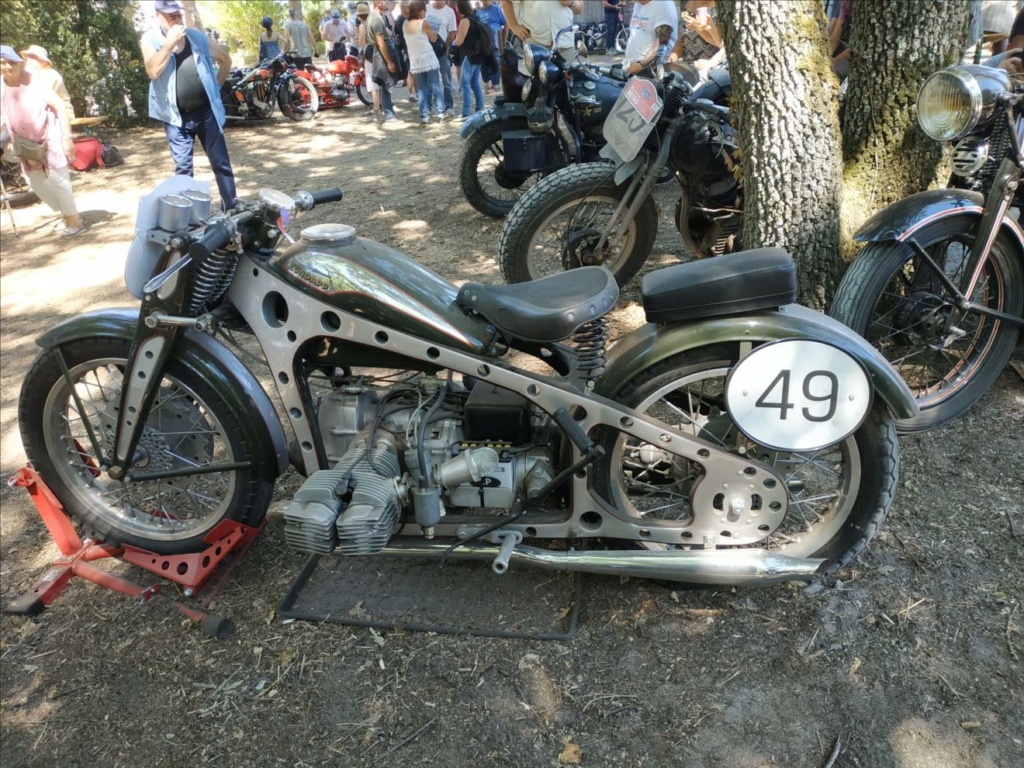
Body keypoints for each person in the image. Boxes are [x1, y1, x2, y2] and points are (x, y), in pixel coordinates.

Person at [140, 0, 236, 210]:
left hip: (206, 113)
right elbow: (152, 71)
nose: (175, 19)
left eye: (178, 15)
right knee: (183, 171)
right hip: (176, 117)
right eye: (170, 16)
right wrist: (168, 45)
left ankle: (231, 209)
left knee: (221, 164)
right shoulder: (150, 40)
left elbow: (225, 59)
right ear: (158, 16)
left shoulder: (196, 37)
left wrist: (216, 89)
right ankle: (189, 221)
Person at [0, 45, 85, 236]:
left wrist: (67, 138)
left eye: (11, 62)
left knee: (59, 181)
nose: (7, 66)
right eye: (2, 63)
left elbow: (60, 106)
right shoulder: (1, 84)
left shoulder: (34, 81)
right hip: (24, 143)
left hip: (50, 137)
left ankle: (75, 222)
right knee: (35, 182)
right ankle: (65, 214)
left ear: (20, 64)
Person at [500, 0, 582, 72]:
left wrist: (571, 3)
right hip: (536, 47)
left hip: (565, 45)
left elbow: (580, 8)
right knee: (537, 86)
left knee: (566, 85)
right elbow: (506, 1)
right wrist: (514, 26)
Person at [405, 0, 446, 124]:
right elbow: (433, 38)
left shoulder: (405, 24)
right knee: (435, 86)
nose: (425, 12)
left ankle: (424, 115)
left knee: (422, 89)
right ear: (420, 10)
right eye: (424, 10)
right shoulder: (424, 23)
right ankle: (440, 112)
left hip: (415, 60)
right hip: (428, 57)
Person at [668, 0, 723, 80]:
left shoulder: (720, 7)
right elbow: (681, 40)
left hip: (709, 69)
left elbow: (721, 44)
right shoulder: (685, 3)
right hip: (688, 67)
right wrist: (671, 61)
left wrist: (697, 28)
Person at [622, 0, 677, 75]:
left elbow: (662, 42)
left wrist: (641, 65)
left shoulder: (663, 4)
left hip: (650, 70)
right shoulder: (638, 4)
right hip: (632, 66)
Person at [365, 0, 399, 122]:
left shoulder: (376, 17)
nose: (387, 3)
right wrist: (389, 62)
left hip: (380, 53)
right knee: (386, 84)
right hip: (381, 54)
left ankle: (390, 112)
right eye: (385, 1)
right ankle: (389, 114)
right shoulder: (376, 19)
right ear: (378, 2)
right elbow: (380, 43)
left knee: (386, 84)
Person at [19, 45, 74, 119]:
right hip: (28, 117)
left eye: (33, 56)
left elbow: (61, 99)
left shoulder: (51, 75)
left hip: (53, 117)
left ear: (43, 61)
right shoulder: (22, 76)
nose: (29, 59)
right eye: (28, 56)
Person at [453, 0, 486, 122]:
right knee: (475, 84)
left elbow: (460, 41)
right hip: (478, 55)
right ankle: (480, 108)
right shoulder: (475, 18)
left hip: (469, 55)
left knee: (465, 84)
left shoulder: (465, 20)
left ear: (459, 7)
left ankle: (466, 111)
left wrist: (453, 43)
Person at [424, 0, 458, 118]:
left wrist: (445, 47)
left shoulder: (449, 12)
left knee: (447, 81)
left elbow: (452, 32)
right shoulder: (427, 8)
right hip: (427, 50)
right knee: (430, 81)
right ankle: (429, 107)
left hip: (442, 51)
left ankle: (449, 106)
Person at [475, 0, 507, 94]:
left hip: (495, 42)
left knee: (495, 63)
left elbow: (505, 23)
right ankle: (486, 85)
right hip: (484, 44)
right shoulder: (478, 12)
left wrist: (504, 40)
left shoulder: (496, 9)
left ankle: (495, 85)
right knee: (484, 64)